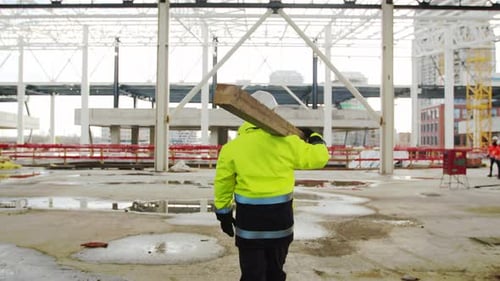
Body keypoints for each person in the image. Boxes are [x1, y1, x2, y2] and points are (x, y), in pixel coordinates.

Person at [213, 90, 330, 281]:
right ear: (273, 113)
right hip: (280, 223)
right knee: (275, 273)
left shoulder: (232, 148)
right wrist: (316, 138)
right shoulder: (288, 142)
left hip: (249, 225)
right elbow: (319, 158)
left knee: (252, 274)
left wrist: (223, 213)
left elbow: (223, 183)